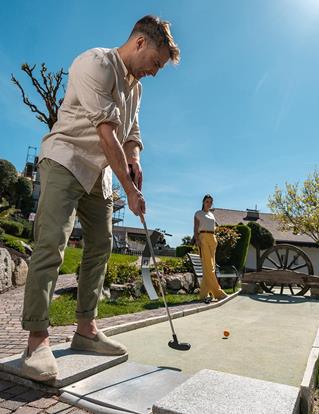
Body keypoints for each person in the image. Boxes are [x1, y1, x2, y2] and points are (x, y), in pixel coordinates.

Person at [21, 15, 180, 382]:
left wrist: (135, 158)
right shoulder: (95, 63)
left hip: (100, 173)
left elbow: (130, 131)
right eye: (155, 62)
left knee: (101, 245)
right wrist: (131, 190)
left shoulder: (136, 87)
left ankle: (86, 331)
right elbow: (106, 133)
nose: (154, 72)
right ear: (140, 42)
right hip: (66, 158)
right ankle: (37, 340)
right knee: (51, 244)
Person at [194, 195, 228, 303]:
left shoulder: (212, 215)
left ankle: (204, 294)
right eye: (207, 201)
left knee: (210, 267)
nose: (209, 203)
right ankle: (218, 293)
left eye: (210, 202)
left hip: (212, 239)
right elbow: (195, 228)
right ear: (203, 202)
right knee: (209, 268)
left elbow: (214, 226)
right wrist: (197, 239)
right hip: (203, 237)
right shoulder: (198, 213)